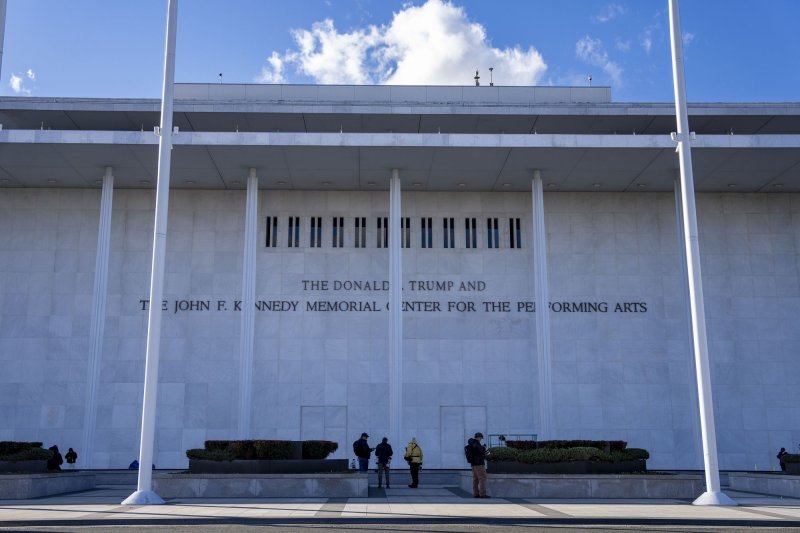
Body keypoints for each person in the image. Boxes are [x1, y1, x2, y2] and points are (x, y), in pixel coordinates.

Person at [466, 432, 490, 498]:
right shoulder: (476, 444)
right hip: (479, 464)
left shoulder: (471, 444)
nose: (481, 439)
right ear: (479, 437)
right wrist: (484, 448)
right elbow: (481, 452)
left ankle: (476, 494)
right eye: (481, 438)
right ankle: (482, 494)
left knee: (475, 479)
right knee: (482, 478)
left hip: (473, 464)